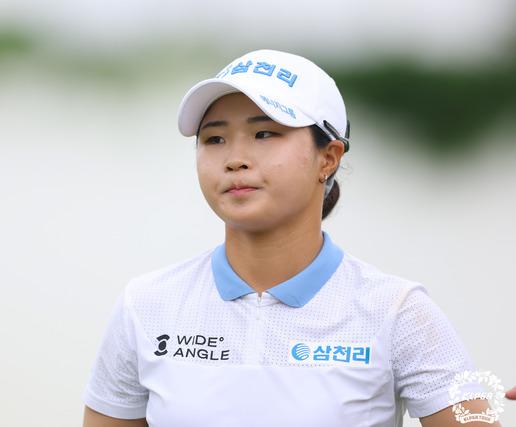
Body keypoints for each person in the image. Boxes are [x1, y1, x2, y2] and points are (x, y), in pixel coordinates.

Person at [82, 49, 503, 427]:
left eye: (264, 133)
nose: (235, 159)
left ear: (328, 157)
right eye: (214, 138)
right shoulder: (147, 305)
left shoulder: (397, 313)